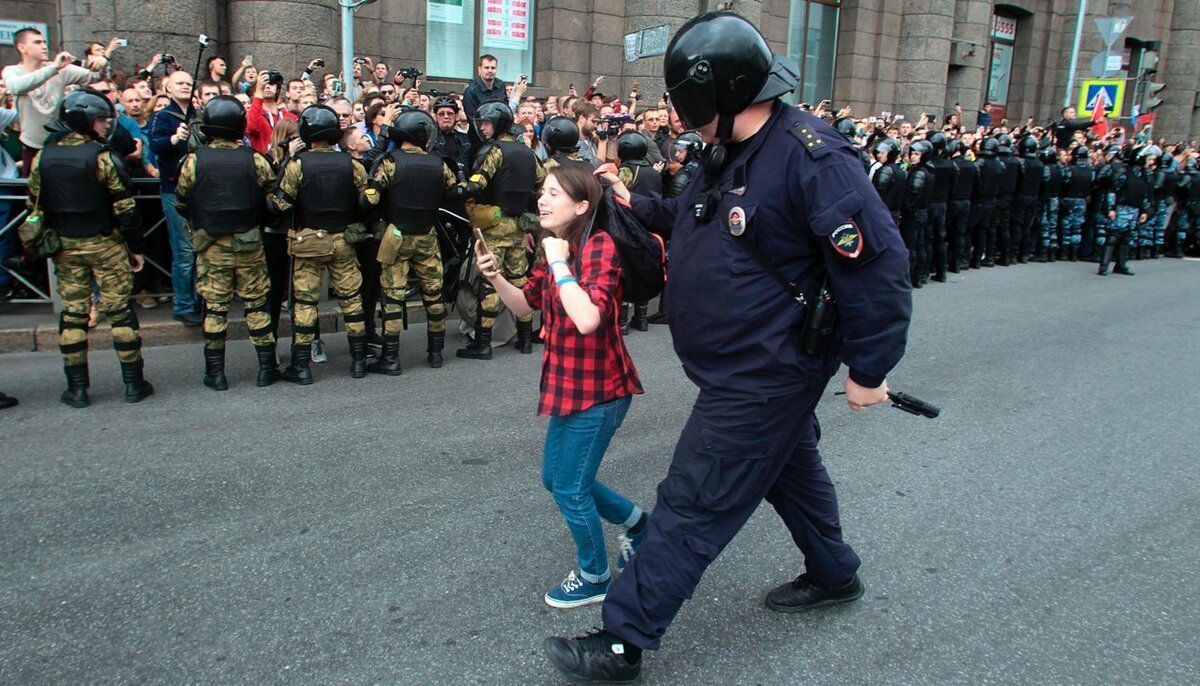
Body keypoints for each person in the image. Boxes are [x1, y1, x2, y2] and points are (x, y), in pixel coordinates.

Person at [543, 13, 911, 683]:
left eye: (687, 103)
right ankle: (834, 574)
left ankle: (623, 641)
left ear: (720, 94)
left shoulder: (811, 156)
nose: (683, 119)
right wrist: (632, 202)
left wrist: (869, 368)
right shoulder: (734, 149)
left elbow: (879, 269)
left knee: (694, 498)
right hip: (743, 369)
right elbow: (695, 222)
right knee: (787, 470)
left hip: (765, 371)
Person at [477, 163, 648, 609]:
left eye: (553, 193)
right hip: (568, 385)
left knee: (571, 488)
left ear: (582, 205)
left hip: (602, 389)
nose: (542, 200)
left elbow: (588, 318)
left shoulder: (598, 246)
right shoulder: (560, 246)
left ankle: (596, 576)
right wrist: (496, 276)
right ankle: (640, 524)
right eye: (542, 192)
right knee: (557, 480)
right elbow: (523, 306)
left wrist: (557, 261)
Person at [25, 89, 153, 407]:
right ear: (83, 121)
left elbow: (34, 205)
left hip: (66, 248)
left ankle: (78, 389)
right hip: (106, 245)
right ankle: (134, 384)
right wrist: (135, 247)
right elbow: (126, 209)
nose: (103, 126)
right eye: (99, 120)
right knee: (121, 313)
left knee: (73, 316)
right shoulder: (102, 158)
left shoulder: (43, 158)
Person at [174, 95, 281, 390]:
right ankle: (266, 368)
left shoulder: (194, 160)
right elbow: (274, 201)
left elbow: (182, 201)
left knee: (216, 308)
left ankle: (216, 374)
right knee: (257, 305)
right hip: (250, 243)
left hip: (211, 245)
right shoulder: (256, 160)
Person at [271, 105, 375, 383]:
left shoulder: (297, 165)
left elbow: (279, 204)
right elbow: (368, 201)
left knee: (305, 302)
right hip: (343, 240)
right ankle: (358, 362)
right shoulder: (352, 165)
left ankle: (301, 367)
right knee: (352, 301)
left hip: (308, 243)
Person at [452, 101, 545, 359]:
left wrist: (458, 185)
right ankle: (525, 339)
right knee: (519, 281)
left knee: (490, 282)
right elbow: (542, 182)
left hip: (494, 224)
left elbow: (476, 185)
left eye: (486, 123)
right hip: (518, 227)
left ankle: (483, 343)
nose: (482, 128)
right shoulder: (528, 153)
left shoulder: (493, 150)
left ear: (498, 123)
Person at [367, 109, 457, 373]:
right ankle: (436, 354)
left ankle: (391, 358)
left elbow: (370, 199)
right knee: (433, 293)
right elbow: (454, 192)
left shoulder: (390, 162)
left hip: (396, 235)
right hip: (427, 235)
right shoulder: (438, 163)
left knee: (393, 297)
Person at [3, 27, 101, 174]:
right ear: (22, 47)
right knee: (33, 194)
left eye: (44, 42)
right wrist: (54, 68)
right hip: (31, 144)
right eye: (37, 42)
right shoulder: (12, 71)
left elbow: (95, 76)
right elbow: (16, 87)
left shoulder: (61, 69)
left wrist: (102, 63)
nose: (44, 46)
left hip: (60, 143)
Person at [148, 69, 203, 326]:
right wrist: (173, 138)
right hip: (174, 189)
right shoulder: (163, 116)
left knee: (199, 249)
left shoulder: (197, 116)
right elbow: (155, 145)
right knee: (183, 251)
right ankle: (183, 304)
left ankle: (199, 299)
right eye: (179, 83)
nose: (185, 87)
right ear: (168, 88)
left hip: (198, 190)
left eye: (189, 83)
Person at [615, 131, 662, 332]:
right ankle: (641, 318)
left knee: (625, 271)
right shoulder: (654, 172)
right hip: (649, 227)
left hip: (627, 227)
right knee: (643, 268)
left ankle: (623, 321)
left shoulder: (624, 172)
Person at [1095, 145, 1147, 276]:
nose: (1151, 161)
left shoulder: (1144, 175)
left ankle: (1121, 264)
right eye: (1148, 159)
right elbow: (1113, 191)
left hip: (1134, 209)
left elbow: (1145, 194)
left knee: (1126, 238)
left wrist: (1144, 211)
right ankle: (1104, 265)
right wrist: (1111, 208)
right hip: (1122, 208)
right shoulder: (1124, 172)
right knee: (1113, 236)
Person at [461, 54, 507, 161]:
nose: (490, 70)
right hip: (479, 142)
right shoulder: (471, 91)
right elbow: (473, 121)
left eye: (493, 68)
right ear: (479, 69)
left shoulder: (501, 85)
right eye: (487, 67)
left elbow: (505, 110)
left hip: (500, 139)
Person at [901, 139, 934, 287]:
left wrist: (906, 207)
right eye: (912, 153)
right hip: (922, 212)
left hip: (914, 213)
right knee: (919, 244)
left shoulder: (919, 172)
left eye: (916, 154)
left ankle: (912, 276)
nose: (913, 156)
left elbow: (913, 192)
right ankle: (920, 275)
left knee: (912, 246)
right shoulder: (927, 170)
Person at [969, 137, 1004, 267]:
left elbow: (975, 180)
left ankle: (966, 258)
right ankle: (977, 259)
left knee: (970, 229)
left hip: (979, 199)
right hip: (991, 200)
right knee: (982, 230)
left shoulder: (980, 162)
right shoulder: (999, 164)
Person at [946, 139, 977, 272]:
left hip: (953, 201)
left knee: (947, 232)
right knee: (960, 233)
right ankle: (957, 263)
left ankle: (948, 261)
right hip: (966, 201)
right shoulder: (971, 165)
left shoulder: (952, 164)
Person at [1059, 144, 1093, 262]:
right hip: (1082, 201)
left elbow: (1064, 183)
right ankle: (1074, 253)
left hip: (1069, 199)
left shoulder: (1069, 169)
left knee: (1066, 226)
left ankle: (1064, 252)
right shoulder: (1090, 171)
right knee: (1077, 227)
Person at [1036, 145, 1064, 261]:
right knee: (1052, 225)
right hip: (1055, 198)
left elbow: (1044, 181)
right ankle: (1052, 251)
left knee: (1045, 225)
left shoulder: (1046, 169)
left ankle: (1044, 252)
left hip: (1047, 199)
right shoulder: (1059, 168)